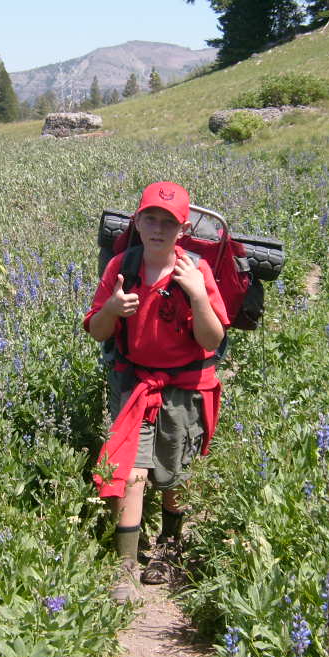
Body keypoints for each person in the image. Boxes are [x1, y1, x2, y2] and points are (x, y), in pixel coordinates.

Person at [84, 181, 230, 602]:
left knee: (174, 474)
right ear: (137, 221)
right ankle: (126, 564)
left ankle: (169, 545)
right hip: (134, 383)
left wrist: (198, 295)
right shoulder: (122, 267)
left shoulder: (196, 272)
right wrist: (113, 309)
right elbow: (97, 331)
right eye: (150, 218)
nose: (158, 229)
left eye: (168, 222)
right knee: (131, 472)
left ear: (183, 229)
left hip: (185, 386)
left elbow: (211, 339)